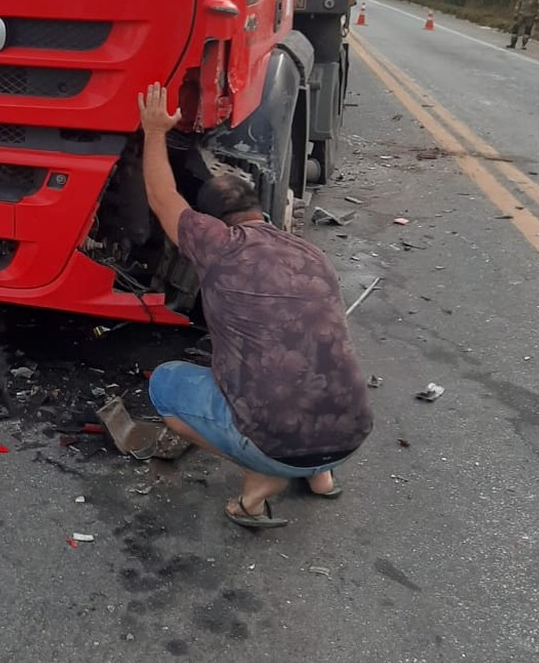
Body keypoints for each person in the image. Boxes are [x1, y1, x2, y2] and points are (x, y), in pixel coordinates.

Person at [138, 81, 373, 530]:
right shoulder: (311, 255)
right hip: (351, 433)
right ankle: (320, 474)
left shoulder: (217, 246)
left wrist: (153, 131)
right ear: (259, 211)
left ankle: (259, 485)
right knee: (307, 357)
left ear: (211, 222)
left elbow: (162, 197)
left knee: (165, 384)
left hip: (277, 442)